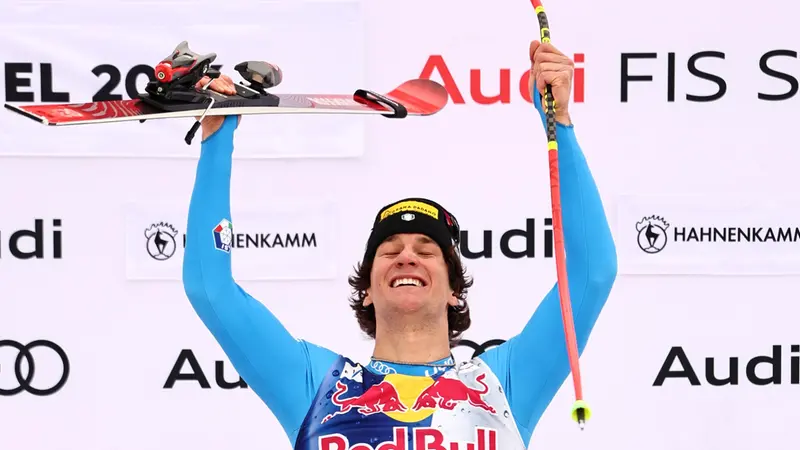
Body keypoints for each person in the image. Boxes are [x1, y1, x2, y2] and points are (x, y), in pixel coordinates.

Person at [182, 39, 617, 450]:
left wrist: (558, 123)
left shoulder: (504, 384)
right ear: (366, 290)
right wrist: (218, 135)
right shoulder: (315, 385)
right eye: (389, 251)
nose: (407, 256)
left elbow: (592, 273)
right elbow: (210, 288)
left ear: (454, 291)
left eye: (427, 251)